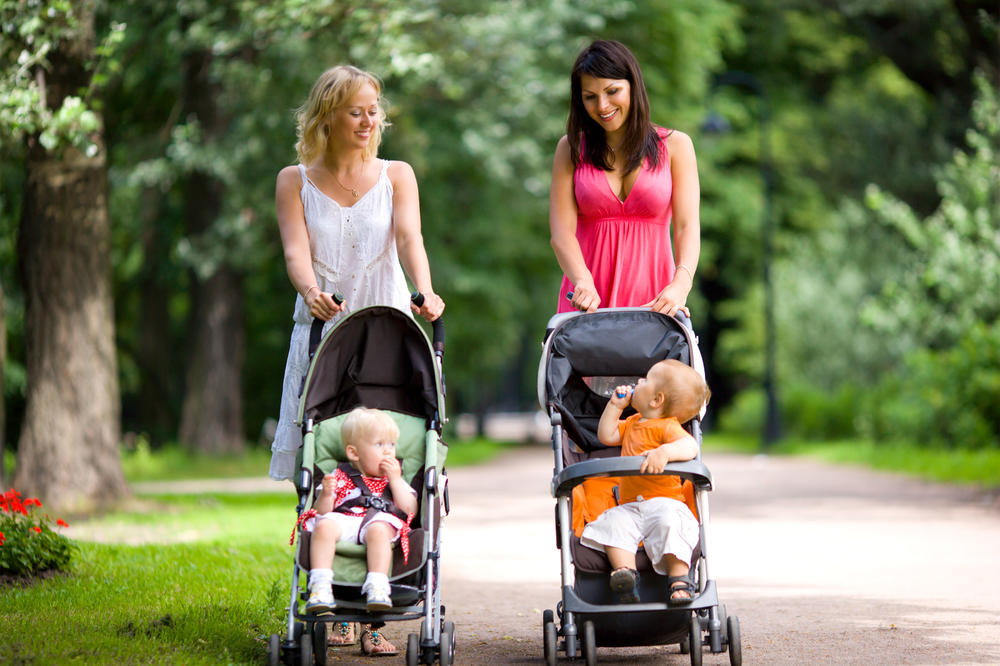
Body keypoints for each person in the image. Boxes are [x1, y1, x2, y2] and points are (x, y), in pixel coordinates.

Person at [270, 64, 444, 655]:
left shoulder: (398, 174)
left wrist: (425, 290)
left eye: (375, 109)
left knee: (380, 454)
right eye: (356, 111)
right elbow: (297, 251)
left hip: (384, 326)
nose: (370, 121)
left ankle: (375, 613)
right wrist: (308, 291)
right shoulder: (294, 179)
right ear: (327, 117)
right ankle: (336, 604)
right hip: (324, 327)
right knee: (330, 459)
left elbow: (409, 240)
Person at [548, 39, 702, 536]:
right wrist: (582, 281)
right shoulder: (572, 149)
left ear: (633, 86)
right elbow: (561, 233)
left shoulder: (675, 145)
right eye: (590, 97)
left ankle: (667, 535)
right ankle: (603, 538)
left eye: (612, 92)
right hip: (591, 304)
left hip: (655, 302)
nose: (603, 106)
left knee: (661, 418)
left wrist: (681, 283)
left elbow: (687, 228)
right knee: (597, 429)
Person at [580, 359, 710, 605]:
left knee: (672, 524)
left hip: (664, 503)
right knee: (613, 523)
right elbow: (606, 435)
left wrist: (664, 453)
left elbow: (690, 445)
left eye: (645, 380)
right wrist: (615, 406)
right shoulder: (631, 423)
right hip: (630, 506)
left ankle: (679, 580)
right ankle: (626, 575)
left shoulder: (666, 427)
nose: (638, 381)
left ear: (656, 400)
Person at [303, 408, 417, 653]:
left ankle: (378, 585)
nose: (388, 450)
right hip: (347, 519)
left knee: (377, 530)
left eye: (392, 444)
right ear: (353, 452)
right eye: (379, 444)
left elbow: (410, 509)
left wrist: (396, 480)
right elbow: (323, 511)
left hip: (380, 522)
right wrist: (327, 494)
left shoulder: (393, 478)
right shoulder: (341, 475)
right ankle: (320, 586)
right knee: (323, 525)